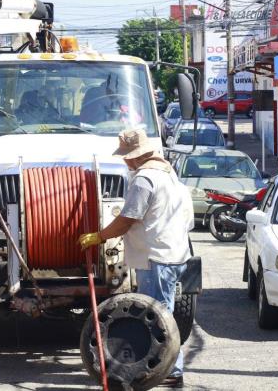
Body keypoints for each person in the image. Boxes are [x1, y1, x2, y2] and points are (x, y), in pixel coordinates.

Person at [78, 128, 194, 389]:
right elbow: (188, 219)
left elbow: (127, 219)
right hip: (174, 254)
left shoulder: (144, 179)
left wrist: (99, 236)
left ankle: (169, 370)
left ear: (134, 157)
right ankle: (171, 368)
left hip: (155, 258)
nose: (125, 160)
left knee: (156, 318)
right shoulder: (170, 177)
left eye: (126, 156)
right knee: (165, 313)